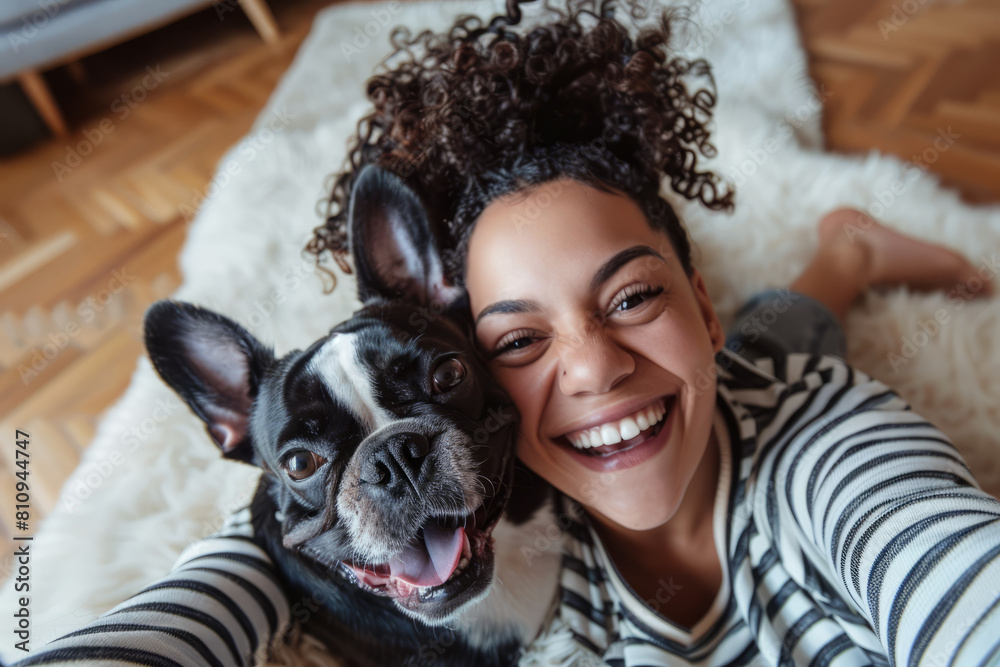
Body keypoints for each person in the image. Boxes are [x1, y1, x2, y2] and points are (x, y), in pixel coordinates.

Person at [16, 1, 1000, 665]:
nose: (594, 366)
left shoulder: (827, 450)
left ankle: (850, 253)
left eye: (629, 297)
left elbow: (938, 561)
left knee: (770, 350)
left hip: (745, 387)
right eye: (520, 340)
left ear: (693, 297)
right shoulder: (386, 511)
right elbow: (211, 588)